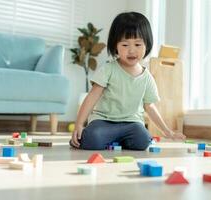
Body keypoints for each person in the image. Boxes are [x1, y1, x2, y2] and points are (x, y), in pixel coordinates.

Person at [70, 12, 186, 150]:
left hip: (132, 123)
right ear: (115, 46)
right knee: (92, 139)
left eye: (138, 44)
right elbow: (92, 97)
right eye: (125, 45)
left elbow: (150, 106)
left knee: (143, 141)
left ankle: (119, 141)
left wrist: (167, 131)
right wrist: (79, 124)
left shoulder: (147, 77)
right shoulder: (108, 69)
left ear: (146, 45)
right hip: (104, 121)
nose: (132, 50)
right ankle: (108, 139)